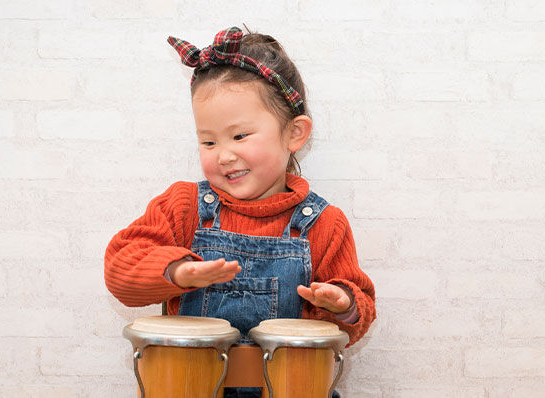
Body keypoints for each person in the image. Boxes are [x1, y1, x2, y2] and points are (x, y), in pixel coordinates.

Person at [104, 26, 376, 397]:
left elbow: (357, 313)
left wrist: (342, 305)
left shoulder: (323, 224)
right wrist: (176, 270)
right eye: (209, 141)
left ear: (295, 133)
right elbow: (120, 269)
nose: (224, 155)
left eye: (240, 136)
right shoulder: (185, 208)